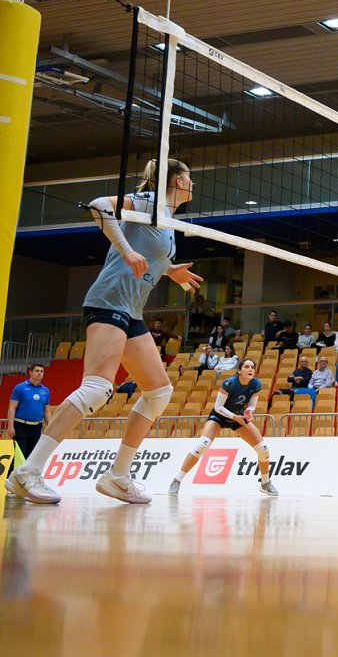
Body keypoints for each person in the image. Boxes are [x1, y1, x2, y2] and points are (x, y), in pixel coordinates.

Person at [6, 158, 202, 504]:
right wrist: (127, 251)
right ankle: (27, 472)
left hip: (131, 310)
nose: (193, 183)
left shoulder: (166, 218)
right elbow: (99, 206)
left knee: (159, 391)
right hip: (109, 301)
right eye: (188, 177)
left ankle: (117, 476)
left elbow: (149, 252)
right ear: (175, 181)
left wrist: (169, 270)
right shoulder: (148, 202)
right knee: (97, 388)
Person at [167, 358, 277, 496]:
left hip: (238, 417)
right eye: (247, 367)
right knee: (202, 444)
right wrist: (234, 416)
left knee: (263, 449)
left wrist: (249, 411)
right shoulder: (229, 383)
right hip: (219, 417)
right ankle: (177, 480)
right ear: (239, 370)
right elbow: (218, 407)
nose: (250, 369)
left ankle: (265, 483)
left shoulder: (256, 384)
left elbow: (251, 404)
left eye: (252, 367)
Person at [6, 365, 51, 464]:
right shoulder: (20, 388)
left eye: (42, 371)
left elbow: (47, 412)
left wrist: (51, 427)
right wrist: (10, 426)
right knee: (19, 455)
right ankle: (13, 474)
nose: (39, 373)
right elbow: (12, 408)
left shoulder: (46, 391)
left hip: (36, 428)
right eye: (37, 371)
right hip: (20, 426)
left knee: (32, 457)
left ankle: (26, 474)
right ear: (30, 372)